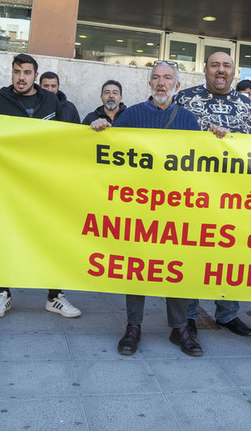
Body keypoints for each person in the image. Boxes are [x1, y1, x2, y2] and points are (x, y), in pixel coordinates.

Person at [91, 60, 204, 357]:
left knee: (176, 265)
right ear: (149, 84)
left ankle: (180, 328)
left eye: (167, 78)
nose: (161, 83)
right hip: (139, 207)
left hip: (177, 207)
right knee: (136, 267)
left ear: (177, 85)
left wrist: (217, 141)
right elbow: (113, 152)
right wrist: (100, 130)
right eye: (156, 78)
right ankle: (133, 326)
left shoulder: (190, 121)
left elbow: (202, 164)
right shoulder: (132, 115)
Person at [0, 53, 82, 320]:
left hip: (46, 184)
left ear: (36, 75)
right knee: (4, 236)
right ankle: (3, 294)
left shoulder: (51, 101)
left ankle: (54, 296)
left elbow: (65, 137)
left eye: (26, 72)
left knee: (52, 238)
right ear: (11, 74)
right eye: (16, 72)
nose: (21, 77)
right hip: (8, 186)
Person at [175, 51, 251, 338]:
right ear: (205, 69)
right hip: (192, 195)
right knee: (191, 254)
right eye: (215, 65)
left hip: (234, 199)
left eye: (226, 65)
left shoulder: (248, 106)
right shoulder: (184, 99)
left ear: (233, 71)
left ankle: (228, 313)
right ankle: (188, 316)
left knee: (230, 255)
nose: (220, 70)